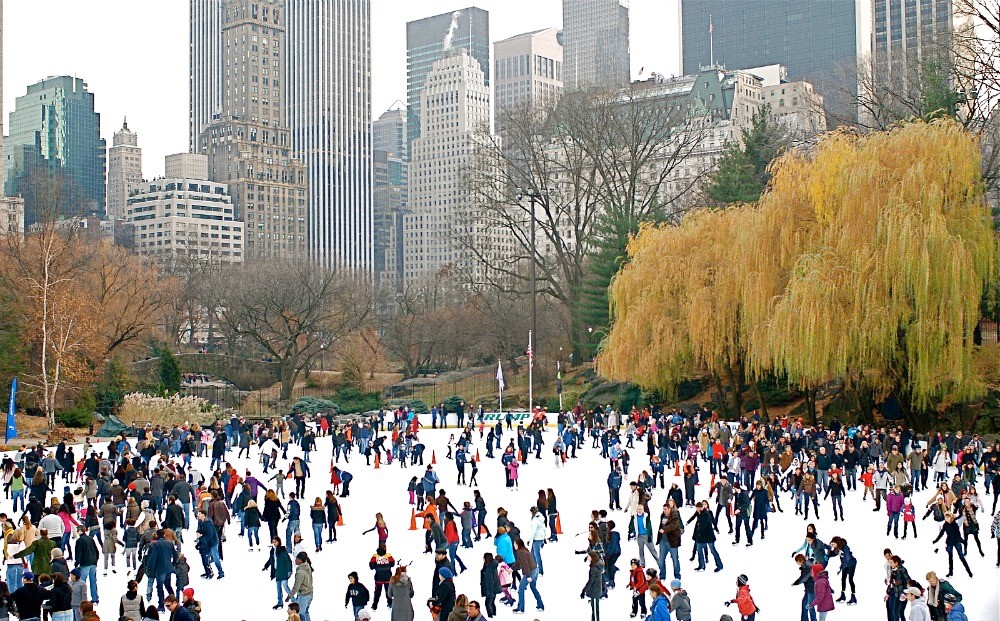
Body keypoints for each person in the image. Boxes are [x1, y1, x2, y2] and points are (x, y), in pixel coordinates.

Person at [932, 513, 973, 578]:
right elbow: (941, 533)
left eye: (948, 517)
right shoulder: (945, 525)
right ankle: (950, 572)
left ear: (951, 517)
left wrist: (963, 541)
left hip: (957, 542)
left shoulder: (955, 524)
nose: (946, 519)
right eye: (945, 518)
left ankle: (969, 572)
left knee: (961, 557)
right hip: (949, 542)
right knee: (950, 558)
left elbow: (958, 534)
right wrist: (936, 540)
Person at [512, 537, 543, 613]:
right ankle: (540, 605)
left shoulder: (521, 552)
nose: (514, 545)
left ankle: (520, 608)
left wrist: (528, 576)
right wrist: (511, 568)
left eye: (514, 544)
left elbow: (525, 564)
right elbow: (519, 561)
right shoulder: (523, 550)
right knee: (533, 587)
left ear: (518, 544)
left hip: (530, 572)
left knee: (521, 589)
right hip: (535, 570)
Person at [263, 537, 293, 610]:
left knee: (285, 587)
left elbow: (288, 561)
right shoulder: (273, 550)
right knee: (278, 589)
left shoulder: (282, 550)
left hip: (283, 571)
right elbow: (271, 559)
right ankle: (280, 603)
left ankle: (294, 602)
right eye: (273, 542)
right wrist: (266, 566)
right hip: (277, 572)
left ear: (279, 542)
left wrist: (289, 571)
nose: (274, 543)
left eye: (275, 542)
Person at [288, 552, 314, 621]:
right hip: (310, 594)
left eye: (297, 559)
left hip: (304, 596)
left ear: (301, 560)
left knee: (300, 614)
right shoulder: (307, 566)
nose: (295, 560)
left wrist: (289, 596)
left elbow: (296, 586)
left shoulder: (300, 572)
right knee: (305, 612)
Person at [581, 550, 604, 621]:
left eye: (588, 557)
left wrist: (584, 590)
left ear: (592, 558)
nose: (587, 558)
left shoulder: (594, 569)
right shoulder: (596, 566)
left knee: (595, 610)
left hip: (595, 592)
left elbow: (590, 582)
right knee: (594, 609)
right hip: (596, 590)